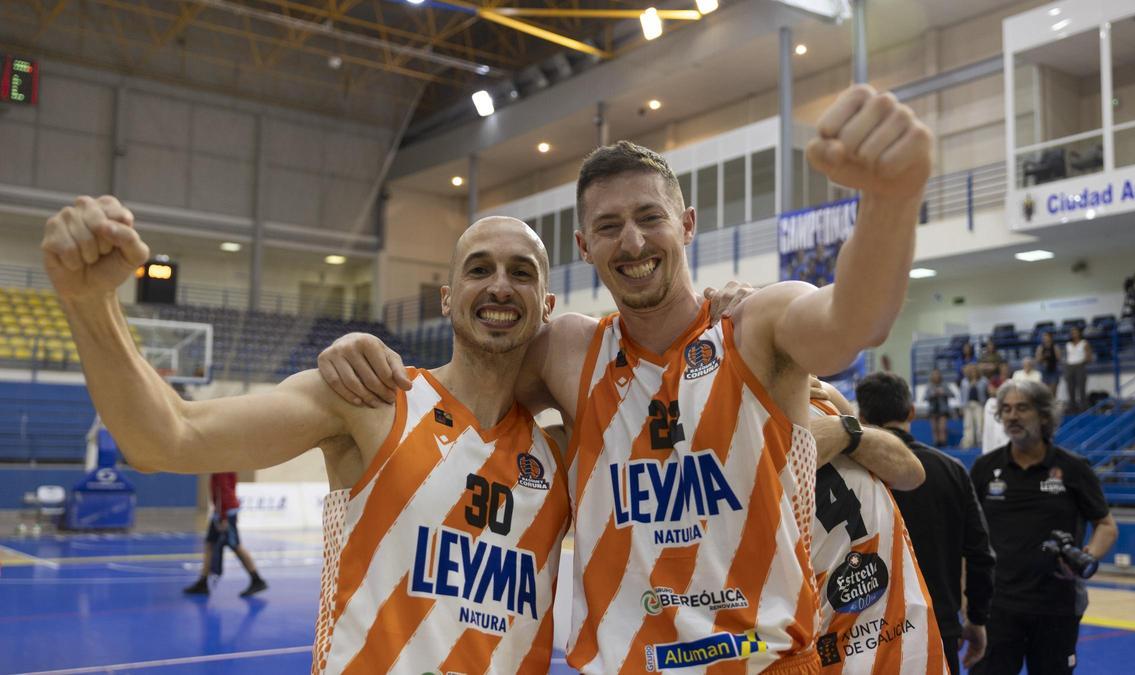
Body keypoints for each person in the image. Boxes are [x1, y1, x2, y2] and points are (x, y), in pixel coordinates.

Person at [320, 83, 934, 673]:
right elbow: (470, 371)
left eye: (650, 216)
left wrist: (890, 201)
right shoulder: (567, 350)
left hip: (760, 663)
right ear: (585, 247)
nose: (633, 241)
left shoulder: (757, 326)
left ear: (687, 224)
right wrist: (360, 346)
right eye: (609, 226)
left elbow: (856, 319)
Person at [41, 202, 573, 673]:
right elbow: (169, 438)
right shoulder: (372, 399)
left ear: (546, 305)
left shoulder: (563, 455)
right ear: (446, 297)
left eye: (521, 272)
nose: (500, 284)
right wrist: (91, 303)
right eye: (479, 268)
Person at [969, 380, 1118, 675]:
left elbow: (1106, 525)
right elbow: (967, 536)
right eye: (1006, 409)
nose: (1012, 416)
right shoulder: (985, 468)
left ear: (1045, 416)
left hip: (1056, 607)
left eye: (1022, 408)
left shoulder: (1074, 468)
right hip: (996, 608)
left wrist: (1086, 556)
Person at [856, 373, 995, 675]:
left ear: (861, 417)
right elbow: (980, 554)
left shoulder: (850, 471)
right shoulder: (951, 470)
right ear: (911, 413)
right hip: (938, 624)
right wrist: (978, 618)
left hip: (865, 634)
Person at [808, 379, 949, 675]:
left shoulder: (823, 396)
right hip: (821, 645)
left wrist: (847, 431)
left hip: (904, 633)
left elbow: (911, 474)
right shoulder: (725, 427)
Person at [183, 471, 267, 597]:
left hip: (225, 513)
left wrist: (223, 518)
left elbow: (224, 491)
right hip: (221, 512)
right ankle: (203, 582)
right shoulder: (222, 464)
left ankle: (257, 579)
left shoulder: (222, 466)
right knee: (210, 544)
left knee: (236, 546)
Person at [1062, 327, 1092, 414]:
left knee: (1081, 388)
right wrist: (1066, 365)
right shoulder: (1068, 344)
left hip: (1080, 366)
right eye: (1072, 332)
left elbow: (1089, 357)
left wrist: (1083, 361)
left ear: (1079, 333)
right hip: (1069, 367)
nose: (1074, 334)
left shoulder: (1084, 343)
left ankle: (1084, 409)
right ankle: (1072, 408)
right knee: (1070, 389)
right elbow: (1065, 356)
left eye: (1076, 332)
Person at [960, 364, 988, 449]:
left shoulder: (983, 381)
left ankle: (981, 442)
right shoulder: (964, 382)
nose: (973, 372)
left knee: (980, 424)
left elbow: (986, 393)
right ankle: (968, 442)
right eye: (971, 371)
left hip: (979, 404)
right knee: (968, 425)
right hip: (968, 405)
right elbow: (962, 395)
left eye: (974, 370)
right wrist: (962, 407)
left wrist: (975, 383)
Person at [925, 368, 952, 446]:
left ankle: (943, 442)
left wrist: (943, 392)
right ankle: (936, 443)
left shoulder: (944, 384)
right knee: (934, 428)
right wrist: (933, 394)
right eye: (934, 374)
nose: (936, 376)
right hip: (932, 409)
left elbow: (952, 394)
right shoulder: (929, 385)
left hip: (943, 409)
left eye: (937, 374)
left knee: (942, 428)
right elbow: (925, 397)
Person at [1035, 332, 1060, 398]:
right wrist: (1043, 356)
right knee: (1045, 392)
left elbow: (1058, 358)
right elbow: (1037, 360)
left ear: (1051, 338)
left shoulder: (1055, 347)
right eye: (1044, 337)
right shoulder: (1040, 347)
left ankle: (1053, 406)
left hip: (1053, 370)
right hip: (1044, 371)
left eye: (1046, 337)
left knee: (1053, 391)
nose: (1045, 338)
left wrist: (1051, 356)